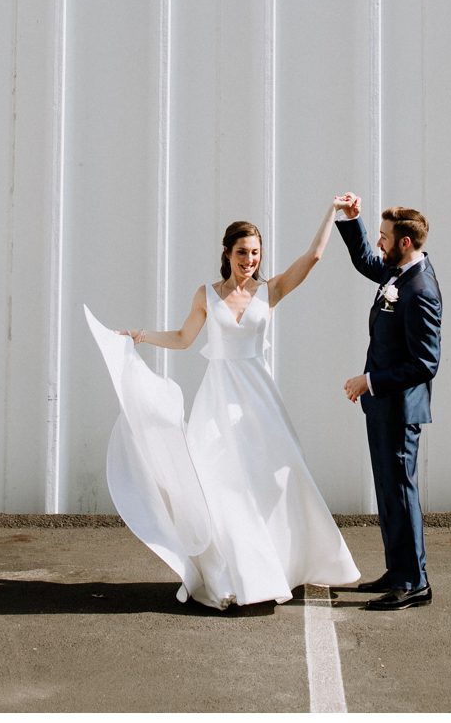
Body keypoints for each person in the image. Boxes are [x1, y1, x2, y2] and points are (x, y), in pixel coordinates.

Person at [82, 202, 359, 608]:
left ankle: (281, 565)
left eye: (256, 252)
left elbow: (314, 257)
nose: (251, 260)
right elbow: (182, 338)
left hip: (259, 399)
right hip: (219, 399)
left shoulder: (270, 290)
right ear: (228, 253)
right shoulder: (206, 295)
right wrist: (140, 336)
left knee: (275, 480)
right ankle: (232, 577)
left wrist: (333, 214)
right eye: (243, 252)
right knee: (219, 484)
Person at [331, 192, 441, 610]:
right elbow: (366, 262)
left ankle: (414, 582)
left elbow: (425, 363)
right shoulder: (401, 272)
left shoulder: (420, 289)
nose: (379, 242)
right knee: (389, 493)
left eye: (383, 236)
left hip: (397, 407)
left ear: (405, 242)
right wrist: (352, 220)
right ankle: (398, 571)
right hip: (383, 408)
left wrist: (370, 381)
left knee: (401, 492)